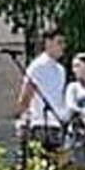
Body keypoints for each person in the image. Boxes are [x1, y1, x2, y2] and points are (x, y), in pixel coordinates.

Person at [15, 27, 70, 159]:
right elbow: (26, 95)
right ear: (48, 42)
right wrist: (23, 119)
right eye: (59, 42)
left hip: (56, 122)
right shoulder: (37, 66)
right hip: (40, 123)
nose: (62, 47)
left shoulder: (60, 70)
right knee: (40, 161)